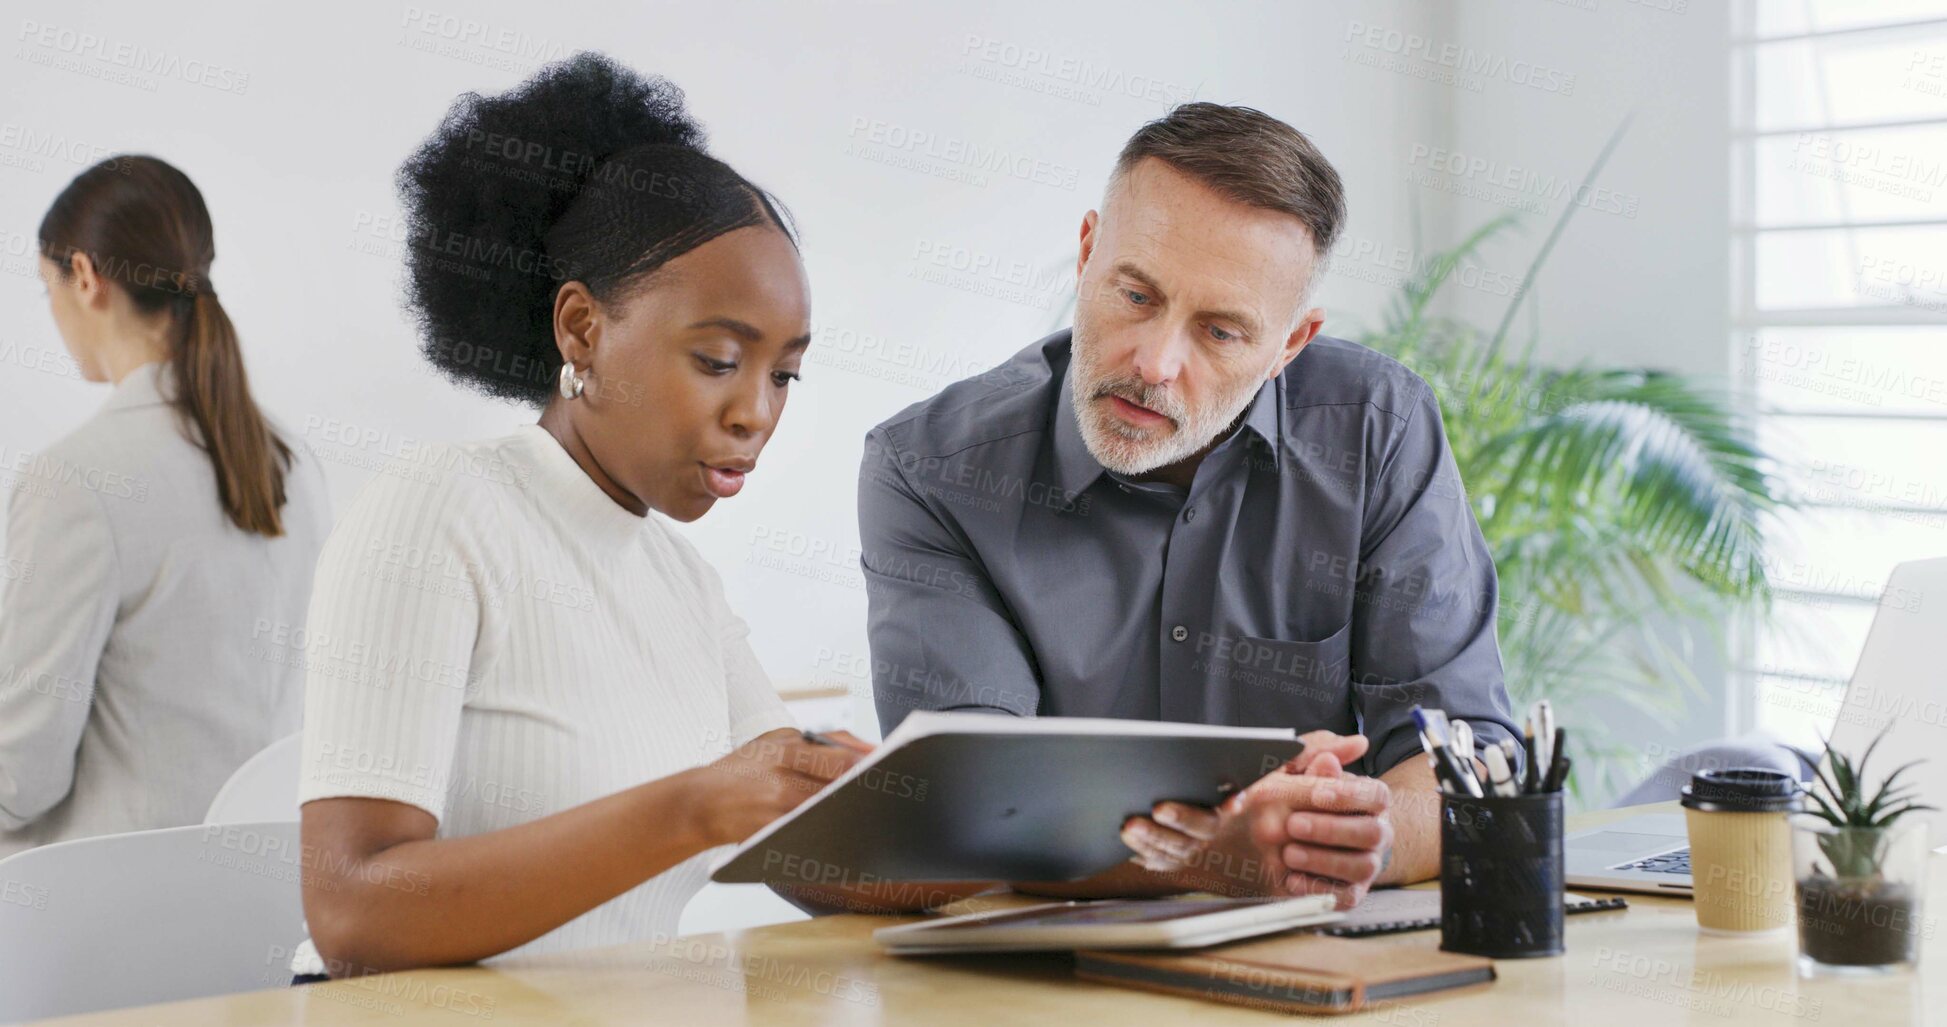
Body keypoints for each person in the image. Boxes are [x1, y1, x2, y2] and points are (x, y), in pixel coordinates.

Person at [858, 103, 1523, 906]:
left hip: (1322, 963)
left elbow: (1466, 754)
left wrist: (1359, 834)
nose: (1154, 360)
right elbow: (964, 805)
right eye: (1135, 295)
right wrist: (1218, 854)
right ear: (1085, 254)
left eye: (1219, 332)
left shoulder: (1378, 432)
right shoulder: (931, 472)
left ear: (1290, 345)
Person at [291, 53, 867, 979]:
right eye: (720, 359)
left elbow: (804, 832)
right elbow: (353, 911)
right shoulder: (438, 512)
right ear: (582, 330)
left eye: (784, 373)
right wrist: (694, 806)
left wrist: (987, 824)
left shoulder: (681, 583)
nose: (757, 411)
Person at [0, 155, 330, 857]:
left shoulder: (74, 478)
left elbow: (17, 777)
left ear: (85, 277)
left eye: (46, 288)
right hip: (253, 902)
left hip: (100, 920)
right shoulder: (295, 466)